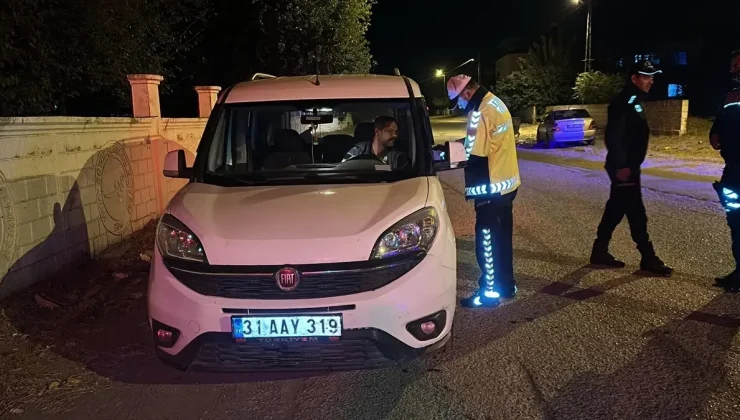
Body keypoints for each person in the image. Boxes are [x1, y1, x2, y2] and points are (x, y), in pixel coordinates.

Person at [589, 60, 673, 276]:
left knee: (616, 208)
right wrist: (623, 165)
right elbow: (613, 136)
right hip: (624, 167)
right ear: (634, 78)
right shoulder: (624, 101)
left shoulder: (634, 100)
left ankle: (599, 251)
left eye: (652, 76)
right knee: (636, 212)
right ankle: (648, 257)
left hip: (627, 166)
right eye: (646, 76)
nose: (650, 80)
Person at [446, 75, 520, 308]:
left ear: (466, 93)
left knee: (486, 241)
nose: (459, 106)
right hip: (507, 184)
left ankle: (488, 292)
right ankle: (507, 285)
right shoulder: (495, 102)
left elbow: (473, 153)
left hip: (490, 188)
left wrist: (445, 154)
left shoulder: (480, 112)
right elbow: (481, 141)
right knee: (502, 239)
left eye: (458, 101)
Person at [710, 49, 740, 292]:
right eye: (733, 66)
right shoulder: (731, 94)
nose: (733, 70)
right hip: (732, 170)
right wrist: (714, 133)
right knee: (735, 221)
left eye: (737, 65)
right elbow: (721, 118)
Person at [342, 116, 410, 170]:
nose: (395, 135)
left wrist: (368, 167)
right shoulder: (357, 151)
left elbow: (401, 175)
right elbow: (343, 170)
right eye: (390, 131)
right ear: (377, 131)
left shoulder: (398, 157)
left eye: (396, 132)